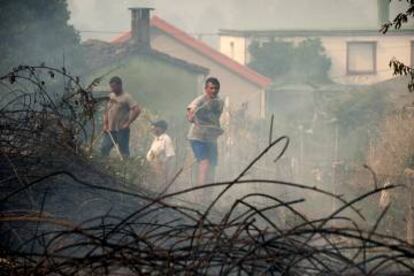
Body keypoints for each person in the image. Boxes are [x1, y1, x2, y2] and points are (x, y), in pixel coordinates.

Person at [187, 77, 224, 186]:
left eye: (216, 88)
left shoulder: (219, 102)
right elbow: (191, 110)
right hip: (197, 137)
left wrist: (217, 130)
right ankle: (200, 194)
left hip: (211, 137)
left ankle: (209, 195)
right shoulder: (200, 100)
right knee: (205, 163)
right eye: (211, 88)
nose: (214, 91)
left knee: (212, 166)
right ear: (206, 89)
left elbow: (214, 120)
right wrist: (191, 116)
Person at [100, 76, 141, 158]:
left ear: (120, 85)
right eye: (111, 87)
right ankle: (103, 165)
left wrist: (128, 123)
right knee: (104, 148)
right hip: (110, 130)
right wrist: (105, 124)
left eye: (114, 87)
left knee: (124, 152)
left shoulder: (127, 97)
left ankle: (125, 167)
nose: (112, 89)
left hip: (122, 130)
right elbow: (106, 111)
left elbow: (137, 110)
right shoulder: (111, 96)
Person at [146, 120, 176, 191]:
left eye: (156, 127)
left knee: (160, 185)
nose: (153, 128)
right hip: (152, 167)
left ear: (161, 129)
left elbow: (170, 155)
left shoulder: (166, 139)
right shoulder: (156, 139)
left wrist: (161, 164)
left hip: (160, 168)